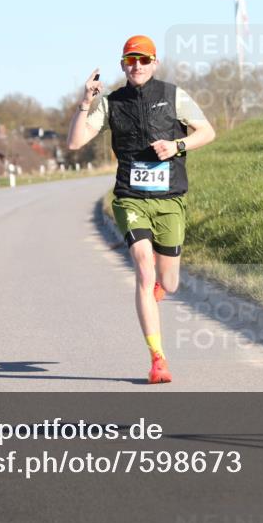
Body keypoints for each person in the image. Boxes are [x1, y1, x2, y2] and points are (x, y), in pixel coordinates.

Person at [67, 35, 216, 383]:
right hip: (130, 198)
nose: (137, 66)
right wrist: (85, 103)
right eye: (131, 60)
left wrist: (177, 145)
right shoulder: (111, 103)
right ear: (123, 65)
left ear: (154, 63)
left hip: (169, 199)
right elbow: (75, 142)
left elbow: (207, 132)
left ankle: (158, 288)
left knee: (169, 282)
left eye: (143, 60)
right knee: (144, 271)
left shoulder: (174, 95)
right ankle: (157, 359)